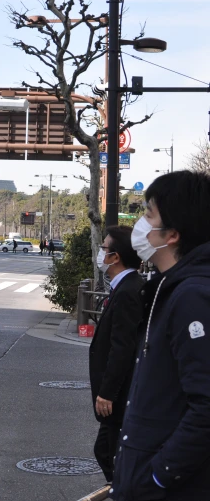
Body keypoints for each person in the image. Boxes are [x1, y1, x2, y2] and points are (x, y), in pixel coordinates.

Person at [111, 171, 210, 501]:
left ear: (172, 234)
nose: (140, 223)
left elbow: (206, 404)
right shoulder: (167, 288)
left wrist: (156, 477)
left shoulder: (191, 295)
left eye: (148, 214)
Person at [89, 226, 143, 485]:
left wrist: (107, 392)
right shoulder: (124, 287)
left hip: (117, 396)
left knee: (110, 454)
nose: (100, 254)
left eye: (104, 249)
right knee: (105, 451)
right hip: (117, 395)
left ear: (115, 257)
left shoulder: (128, 292)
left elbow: (123, 347)